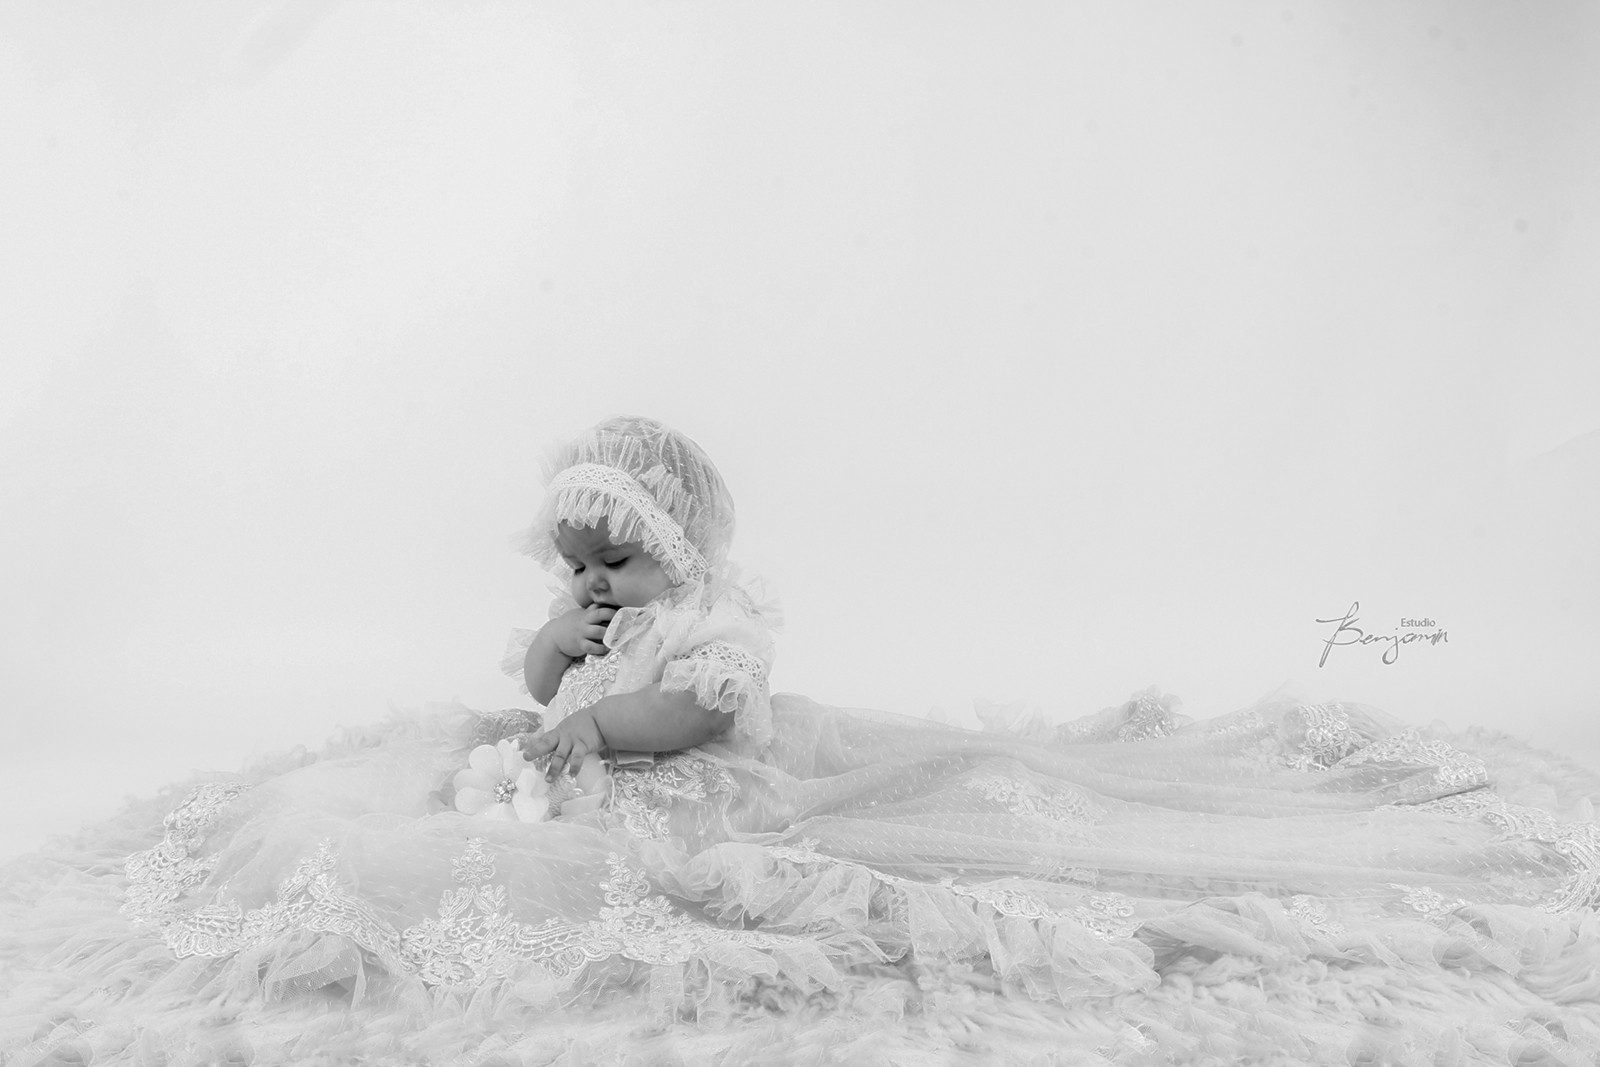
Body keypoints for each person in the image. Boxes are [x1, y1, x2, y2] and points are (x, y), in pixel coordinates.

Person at [5, 415, 1600, 1066]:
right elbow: (544, 679)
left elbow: (690, 717)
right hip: (585, 765)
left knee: (918, 834)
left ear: (678, 554)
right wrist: (558, 662)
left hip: (707, 779)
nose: (592, 586)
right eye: (573, 564)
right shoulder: (585, 617)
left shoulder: (713, 632)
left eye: (616, 563)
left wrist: (600, 721)